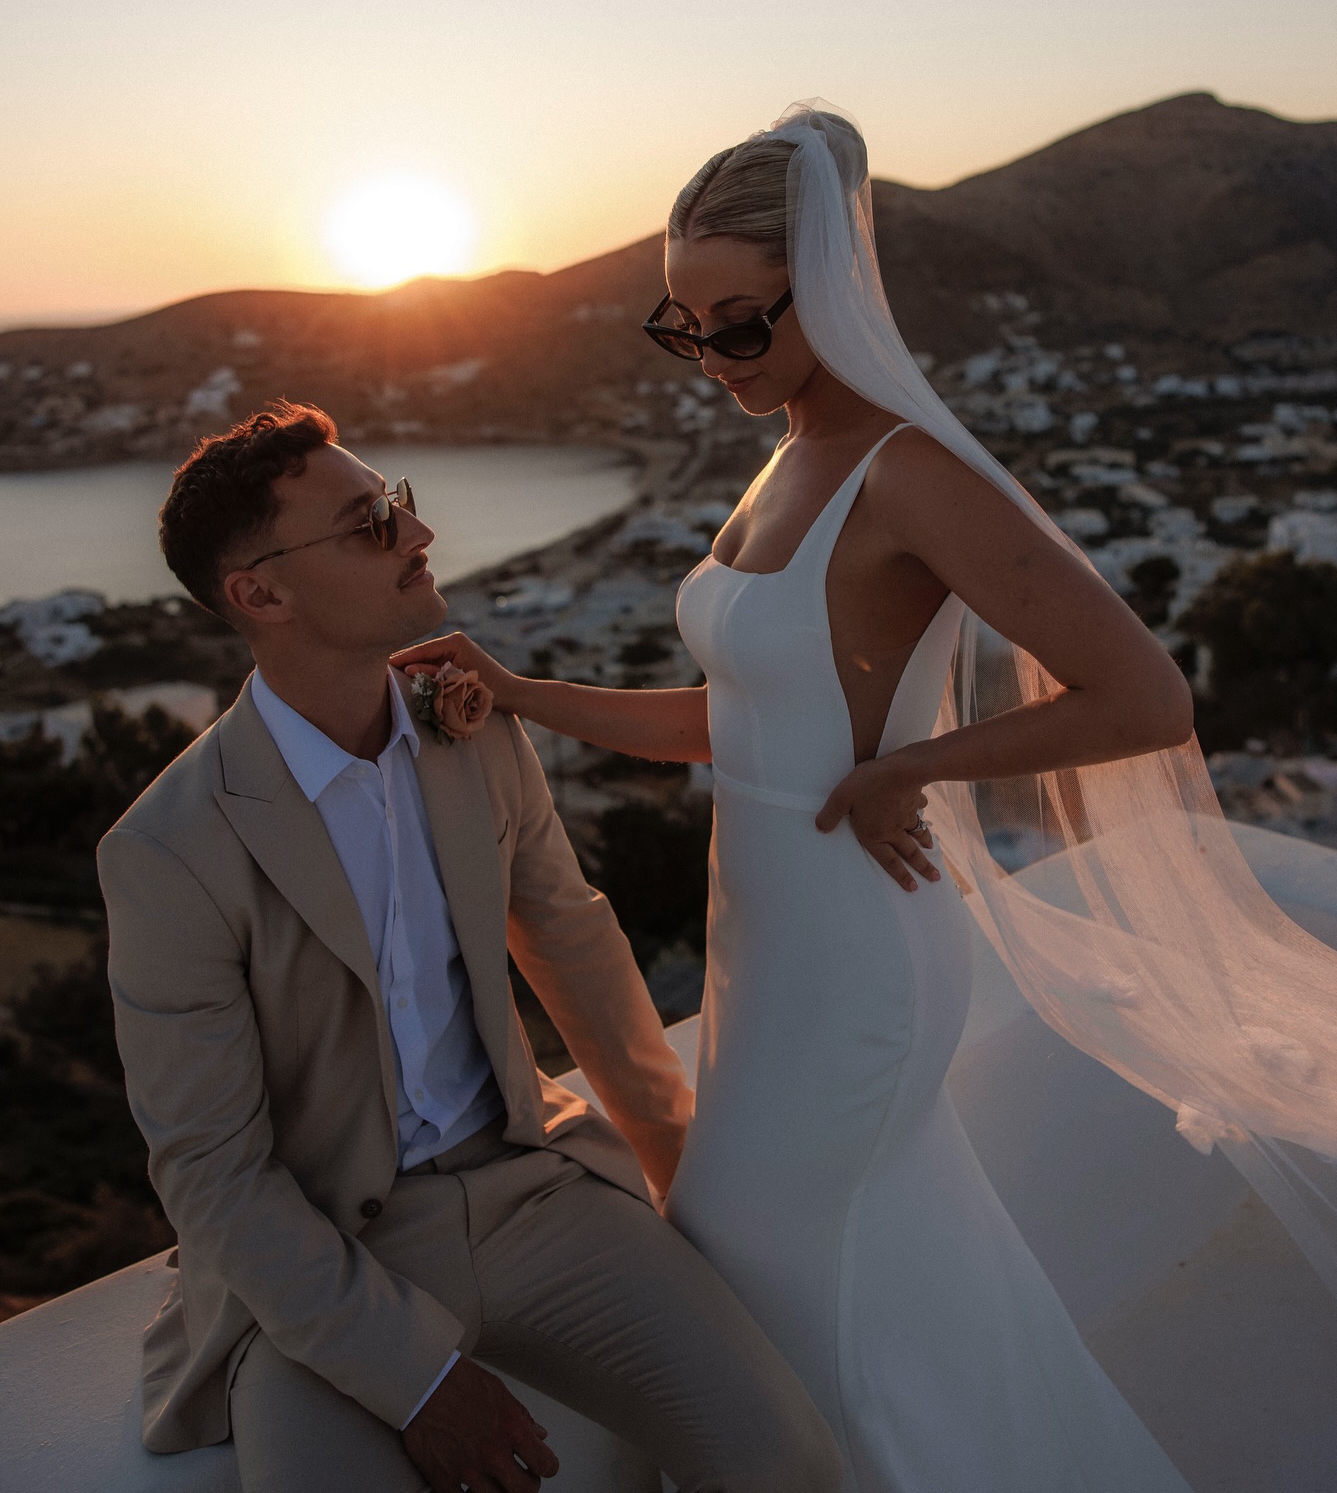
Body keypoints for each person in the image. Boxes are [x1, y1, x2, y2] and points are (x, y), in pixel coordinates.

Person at [402, 106, 1337, 1488]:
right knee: (896, 1283)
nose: (708, 359)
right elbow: (740, 726)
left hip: (861, 956)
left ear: (821, 291)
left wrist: (915, 766)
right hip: (768, 950)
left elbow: (1147, 699)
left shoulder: (911, 476)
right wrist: (521, 692)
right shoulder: (783, 459)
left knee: (748, 1252)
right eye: (682, 324)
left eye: (738, 325)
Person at [98, 402, 843, 1493]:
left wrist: (687, 1173)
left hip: (532, 1193)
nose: (417, 534)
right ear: (260, 594)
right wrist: (411, 1379)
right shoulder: (171, 849)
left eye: (396, 501)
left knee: (785, 1465)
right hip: (325, 1258)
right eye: (367, 524)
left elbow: (577, 951)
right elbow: (211, 1168)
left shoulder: (473, 727)